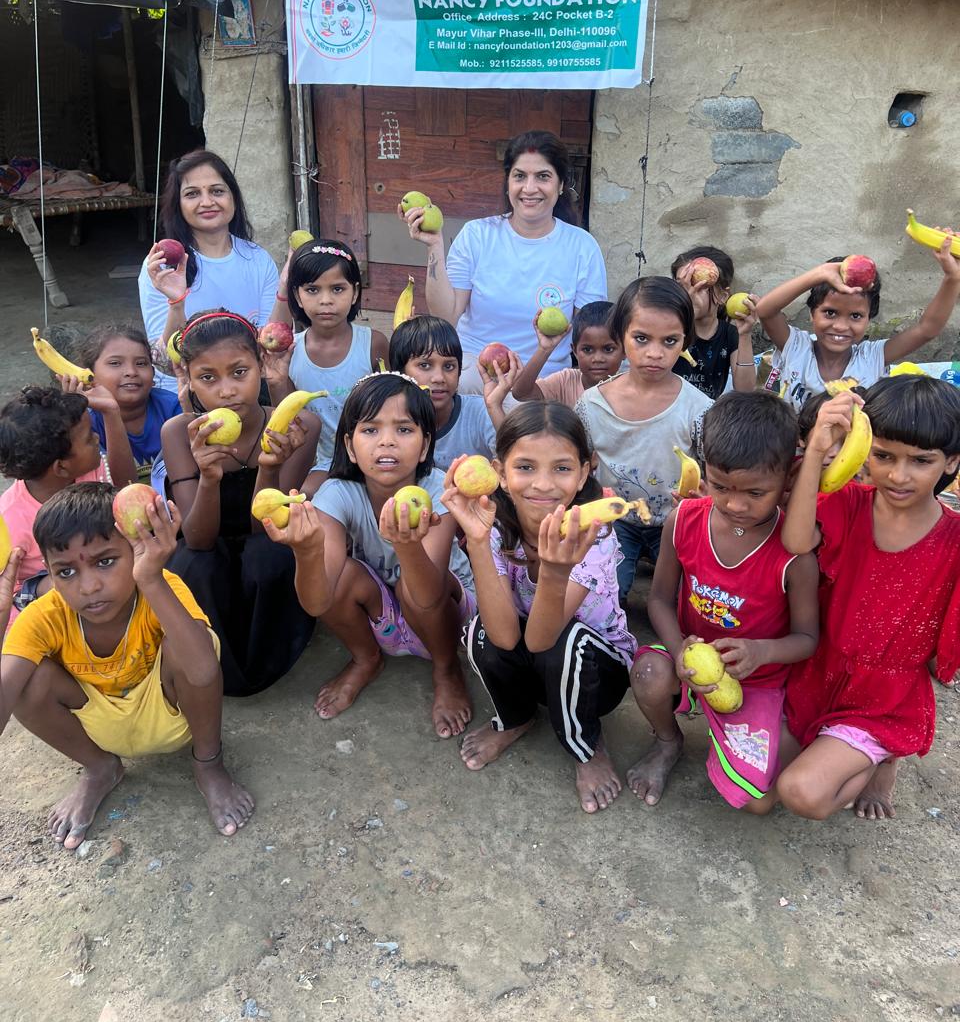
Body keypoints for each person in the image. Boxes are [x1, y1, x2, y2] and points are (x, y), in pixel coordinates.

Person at [0, 483, 253, 847]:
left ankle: (208, 763)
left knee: (193, 642)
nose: (88, 587)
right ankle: (100, 768)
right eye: (66, 572)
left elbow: (202, 671)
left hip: (172, 714)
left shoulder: (160, 586)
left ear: (135, 549)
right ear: (48, 573)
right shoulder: (43, 617)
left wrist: (150, 578)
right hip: (98, 726)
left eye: (105, 562)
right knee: (25, 679)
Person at [777, 378, 960, 821]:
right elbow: (796, 541)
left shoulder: (955, 539)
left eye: (921, 461)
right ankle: (860, 752)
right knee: (759, 793)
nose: (898, 475)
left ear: (952, 461)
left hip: (884, 699)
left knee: (801, 792)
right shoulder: (849, 502)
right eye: (884, 456)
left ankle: (881, 757)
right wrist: (816, 450)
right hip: (817, 673)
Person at [626, 392, 819, 810]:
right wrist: (680, 652)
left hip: (757, 679)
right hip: (689, 658)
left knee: (757, 803)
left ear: (790, 477)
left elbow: (807, 639)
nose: (735, 504)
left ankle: (760, 728)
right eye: (720, 486)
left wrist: (760, 652)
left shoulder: (795, 555)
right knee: (648, 673)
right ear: (704, 469)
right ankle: (668, 741)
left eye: (756, 492)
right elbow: (659, 599)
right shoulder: (683, 520)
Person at [442, 402, 634, 814]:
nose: (543, 484)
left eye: (561, 468)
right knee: (478, 630)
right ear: (500, 473)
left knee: (567, 643)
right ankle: (516, 717)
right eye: (525, 467)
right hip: (532, 652)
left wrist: (556, 570)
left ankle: (586, 743)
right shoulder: (494, 524)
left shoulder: (594, 534)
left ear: (584, 472)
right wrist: (477, 540)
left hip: (596, 671)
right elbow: (504, 636)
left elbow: (543, 640)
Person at [266, 373, 476, 737]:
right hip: (386, 612)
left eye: (404, 430)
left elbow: (428, 597)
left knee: (413, 587)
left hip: (447, 618)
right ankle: (366, 658)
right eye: (370, 430)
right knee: (338, 575)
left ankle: (446, 669)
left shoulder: (438, 492)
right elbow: (318, 602)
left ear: (425, 445)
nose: (387, 441)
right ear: (350, 446)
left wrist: (407, 546)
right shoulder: (337, 493)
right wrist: (306, 551)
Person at [160, 310, 319, 696]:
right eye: (208, 378)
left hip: (263, 541)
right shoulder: (179, 433)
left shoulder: (298, 426)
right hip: (206, 546)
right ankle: (212, 658)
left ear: (261, 365)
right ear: (189, 381)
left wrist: (269, 467)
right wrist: (209, 478)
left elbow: (265, 527)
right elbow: (197, 539)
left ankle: (266, 653)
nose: (226, 390)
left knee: (269, 555)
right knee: (192, 563)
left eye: (239, 372)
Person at [397, 130, 607, 393]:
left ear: (561, 184)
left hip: (543, 385)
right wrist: (434, 246)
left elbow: (591, 333)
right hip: (475, 378)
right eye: (519, 176)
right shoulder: (476, 235)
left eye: (543, 176)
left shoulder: (582, 247)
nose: (529, 188)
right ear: (508, 183)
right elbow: (446, 317)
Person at [575, 277, 713, 602]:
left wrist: (704, 499)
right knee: (603, 596)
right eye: (641, 338)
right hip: (614, 520)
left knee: (688, 600)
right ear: (620, 335)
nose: (654, 353)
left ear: (685, 340)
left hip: (677, 519)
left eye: (670, 341)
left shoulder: (698, 409)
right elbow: (578, 468)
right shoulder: (592, 405)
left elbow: (713, 472)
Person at [138, 150, 290, 393]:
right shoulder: (162, 266)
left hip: (244, 395)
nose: (207, 202)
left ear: (233, 197)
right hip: (183, 397)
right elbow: (165, 363)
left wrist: (285, 290)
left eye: (217, 191)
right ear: (178, 204)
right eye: (192, 194)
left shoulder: (258, 259)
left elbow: (270, 347)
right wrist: (176, 304)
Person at [755, 237, 960, 412]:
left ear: (869, 319)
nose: (841, 326)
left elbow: (927, 329)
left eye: (855, 316)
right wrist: (819, 274)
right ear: (811, 314)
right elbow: (765, 311)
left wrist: (952, 277)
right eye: (830, 313)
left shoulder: (872, 357)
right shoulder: (796, 347)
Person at [268, 242, 388, 495]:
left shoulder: (372, 344)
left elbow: (393, 405)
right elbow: (290, 420)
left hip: (371, 455)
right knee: (305, 495)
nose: (325, 300)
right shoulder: (291, 351)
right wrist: (276, 382)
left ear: (354, 293)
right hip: (316, 462)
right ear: (297, 296)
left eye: (337, 289)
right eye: (312, 290)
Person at [0, 386, 107, 625]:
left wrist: (112, 415)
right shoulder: (10, 520)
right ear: (61, 467)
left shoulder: (92, 470)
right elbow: (8, 594)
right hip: (49, 610)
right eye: (89, 438)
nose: (97, 439)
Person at [388, 316, 513, 471]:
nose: (439, 378)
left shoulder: (482, 413)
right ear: (400, 371)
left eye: (449, 366)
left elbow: (516, 461)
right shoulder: (386, 417)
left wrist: (494, 407)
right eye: (425, 365)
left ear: (459, 372)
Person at [72, 323, 182, 485]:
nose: (131, 371)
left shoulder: (173, 408)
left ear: (153, 373)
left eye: (141, 363)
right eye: (115, 363)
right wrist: (110, 412)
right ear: (89, 375)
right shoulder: (86, 423)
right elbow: (120, 486)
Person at [670, 245, 759, 398]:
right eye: (681, 286)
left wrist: (745, 335)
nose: (688, 293)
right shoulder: (669, 329)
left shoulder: (729, 335)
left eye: (698, 285)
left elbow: (745, 391)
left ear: (722, 296)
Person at [511, 300, 623, 406]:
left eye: (608, 349)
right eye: (587, 350)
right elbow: (521, 394)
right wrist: (544, 349)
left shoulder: (630, 389)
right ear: (575, 351)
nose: (597, 358)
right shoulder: (566, 381)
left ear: (624, 351)